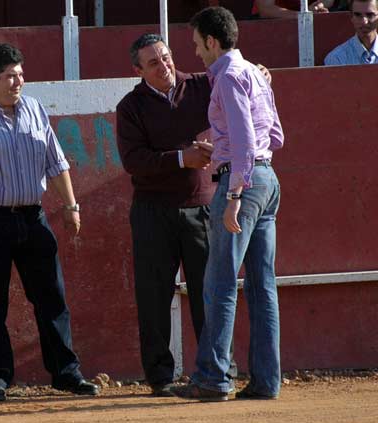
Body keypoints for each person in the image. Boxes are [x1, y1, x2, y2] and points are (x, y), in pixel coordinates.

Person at [0, 43, 99, 402]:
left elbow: (55, 162)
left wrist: (71, 205)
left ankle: (66, 373)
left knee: (51, 297)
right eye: (10, 76)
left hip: (33, 216)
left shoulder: (34, 109)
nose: (19, 81)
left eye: (20, 74)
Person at [115, 33, 240, 397]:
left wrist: (259, 71)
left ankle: (218, 371)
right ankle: (161, 379)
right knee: (154, 296)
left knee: (211, 293)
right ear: (138, 70)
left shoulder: (203, 84)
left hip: (203, 207)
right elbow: (134, 162)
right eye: (153, 62)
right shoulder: (131, 107)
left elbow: (238, 77)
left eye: (166, 58)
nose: (164, 66)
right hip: (153, 211)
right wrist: (182, 158)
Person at [171, 6, 284, 401]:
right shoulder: (255, 72)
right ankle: (267, 381)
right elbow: (275, 135)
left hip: (243, 184)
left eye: (198, 44)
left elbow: (244, 143)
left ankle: (213, 378)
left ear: (213, 41)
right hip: (267, 179)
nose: (197, 52)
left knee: (219, 284)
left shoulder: (231, 77)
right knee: (261, 285)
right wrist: (224, 151)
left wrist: (234, 194)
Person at [324, 0, 378, 65]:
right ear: (351, 17)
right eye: (358, 15)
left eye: (370, 15)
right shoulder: (336, 58)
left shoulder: (337, 57)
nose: (364, 22)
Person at [253, 0, 334, 18]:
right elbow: (265, 9)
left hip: (313, 15)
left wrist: (317, 7)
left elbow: (328, 1)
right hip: (275, 23)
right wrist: (302, 15)